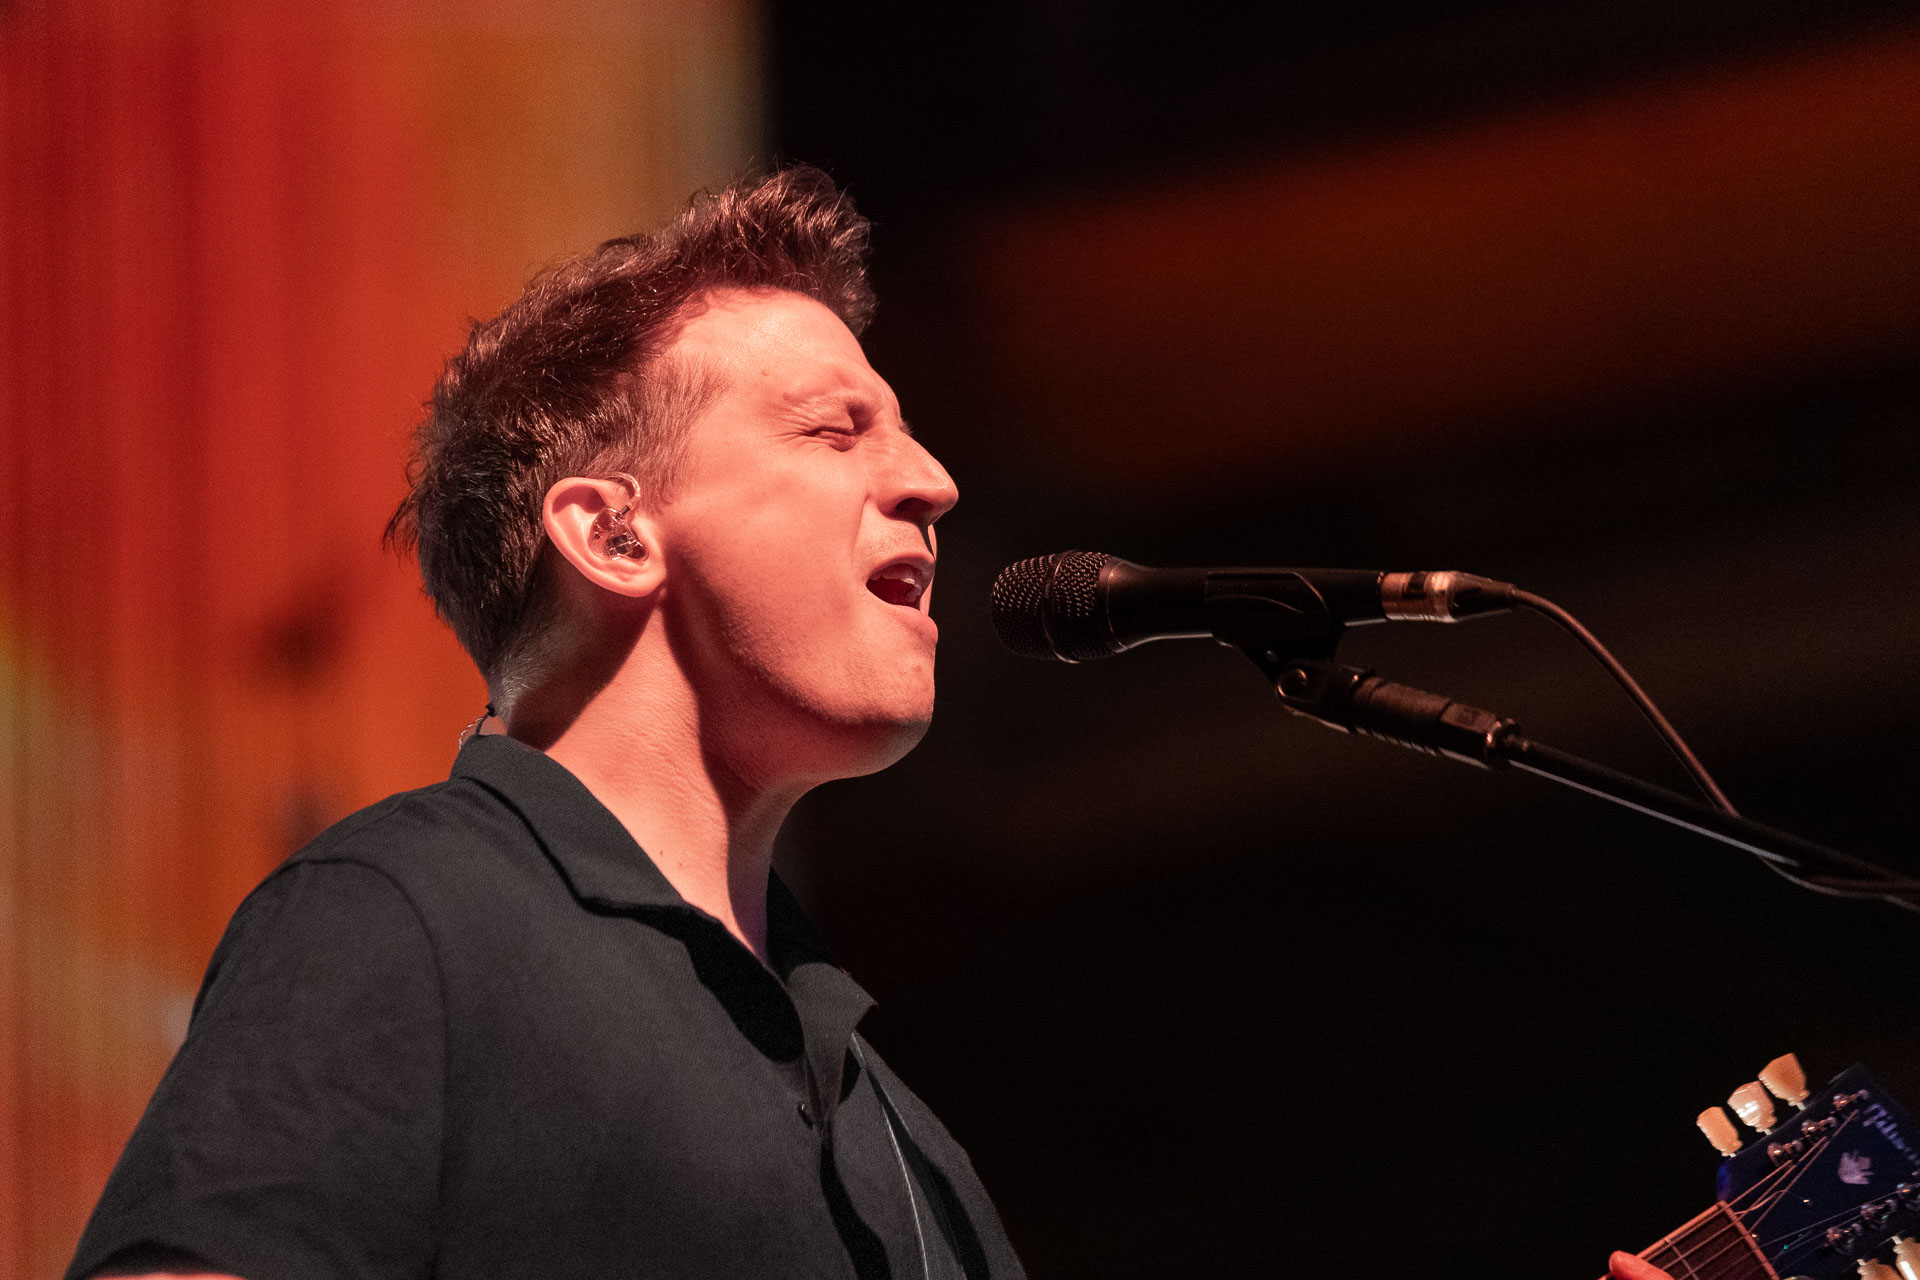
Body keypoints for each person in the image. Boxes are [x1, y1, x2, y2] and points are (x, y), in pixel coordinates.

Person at [63, 165, 1675, 1280]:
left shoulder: (906, 1147)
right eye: (836, 432)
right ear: (613, 533)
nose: (935, 483)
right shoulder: (410, 914)